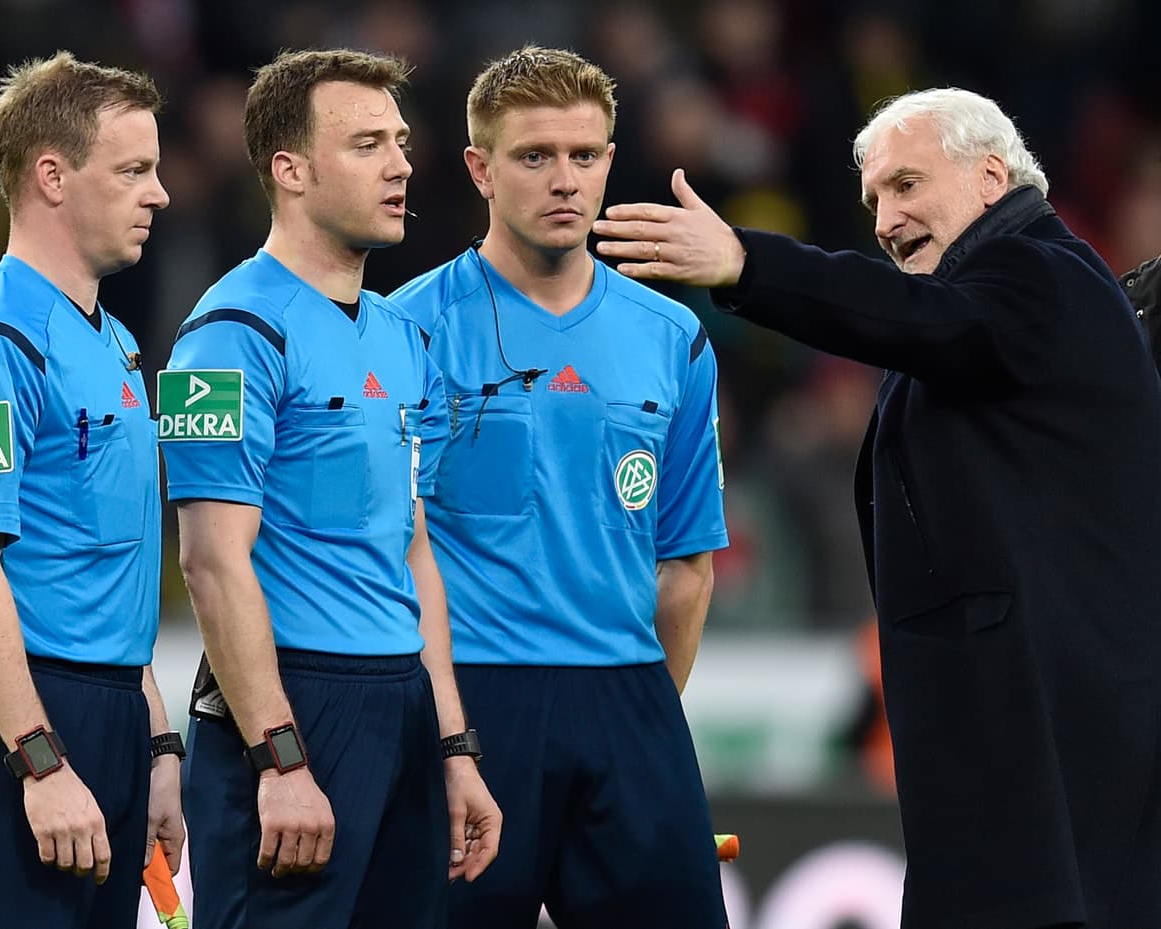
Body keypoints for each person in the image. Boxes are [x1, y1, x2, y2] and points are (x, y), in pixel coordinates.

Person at [595, 87, 1161, 929]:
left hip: (1048, 763)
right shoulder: (1015, 304)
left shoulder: (1041, 274)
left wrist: (750, 265)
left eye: (905, 185)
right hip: (1010, 763)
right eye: (871, 201)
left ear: (990, 177)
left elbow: (915, 317)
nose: (885, 219)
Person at [388, 46, 729, 929]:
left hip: (630, 698)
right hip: (472, 707)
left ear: (611, 160)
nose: (565, 180)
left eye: (585, 156)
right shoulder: (405, 331)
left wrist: (641, 716)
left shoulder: (675, 335)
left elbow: (687, 563)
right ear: (480, 169)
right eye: (535, 156)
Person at [159, 49, 500, 929]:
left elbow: (413, 549)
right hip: (295, 708)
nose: (400, 164)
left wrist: (455, 746)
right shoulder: (226, 336)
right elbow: (209, 562)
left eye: (399, 141)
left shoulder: (398, 335)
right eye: (366, 145)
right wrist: (278, 757)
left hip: (402, 708)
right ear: (291, 170)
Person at [0, 51, 183, 929]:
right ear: (52, 176)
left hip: (103, 716)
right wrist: (39, 758)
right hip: (14, 723)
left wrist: (158, 742)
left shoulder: (119, 347)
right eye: (134, 170)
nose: (160, 193)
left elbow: (112, 571)